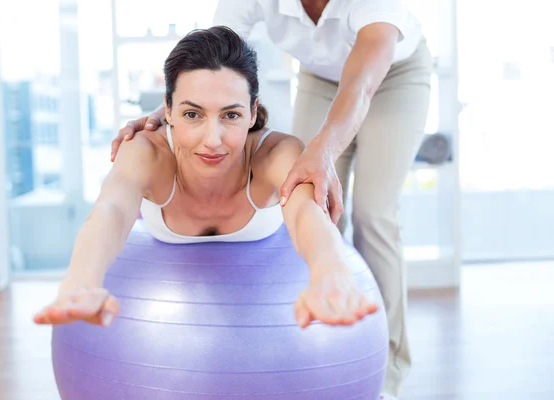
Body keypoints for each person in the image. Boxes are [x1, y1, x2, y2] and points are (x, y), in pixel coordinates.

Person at [110, 2, 432, 399]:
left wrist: (325, 150)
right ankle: (320, 352)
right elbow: (211, 64)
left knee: (372, 211)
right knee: (310, 204)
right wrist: (168, 114)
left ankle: (387, 376)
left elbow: (360, 85)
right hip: (321, 77)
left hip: (392, 77)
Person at [33, 27, 379, 339]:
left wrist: (330, 271)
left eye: (231, 115)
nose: (212, 139)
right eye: (192, 114)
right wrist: (82, 279)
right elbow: (110, 210)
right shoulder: (146, 151)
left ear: (253, 111)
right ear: (166, 110)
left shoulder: (276, 152)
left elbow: (307, 214)